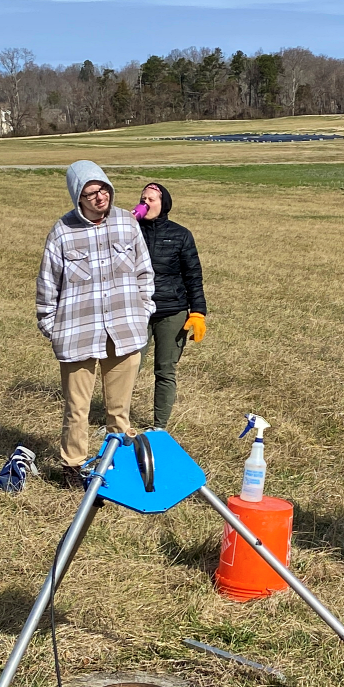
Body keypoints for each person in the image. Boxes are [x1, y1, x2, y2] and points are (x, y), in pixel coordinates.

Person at [37, 161, 155, 488]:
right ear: (78, 198)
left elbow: (144, 272)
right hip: (78, 336)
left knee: (119, 412)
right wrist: (52, 327)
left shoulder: (127, 224)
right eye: (90, 194)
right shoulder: (62, 232)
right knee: (78, 410)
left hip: (125, 332)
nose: (100, 197)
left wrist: (143, 311)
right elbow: (48, 285)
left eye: (103, 189)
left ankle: (117, 469)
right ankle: (72, 469)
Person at [133, 181, 207, 428]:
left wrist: (197, 312)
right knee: (126, 369)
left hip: (171, 312)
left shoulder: (180, 235)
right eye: (142, 198)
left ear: (163, 204)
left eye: (151, 199)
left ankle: (159, 426)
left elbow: (193, 276)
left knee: (165, 371)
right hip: (137, 310)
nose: (145, 203)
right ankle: (116, 421)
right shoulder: (130, 230)